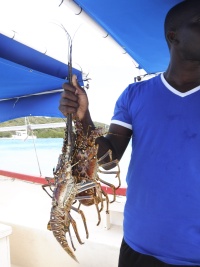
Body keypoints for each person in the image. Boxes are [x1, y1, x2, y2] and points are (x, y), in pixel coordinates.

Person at [59, 0, 200, 266]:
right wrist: (84, 118)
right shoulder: (135, 95)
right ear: (174, 36)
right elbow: (109, 158)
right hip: (140, 246)